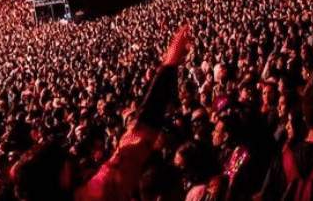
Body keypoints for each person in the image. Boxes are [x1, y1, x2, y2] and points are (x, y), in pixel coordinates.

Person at [12, 25, 192, 201]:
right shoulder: (95, 195)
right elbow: (134, 142)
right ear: (61, 178)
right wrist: (169, 66)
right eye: (65, 162)